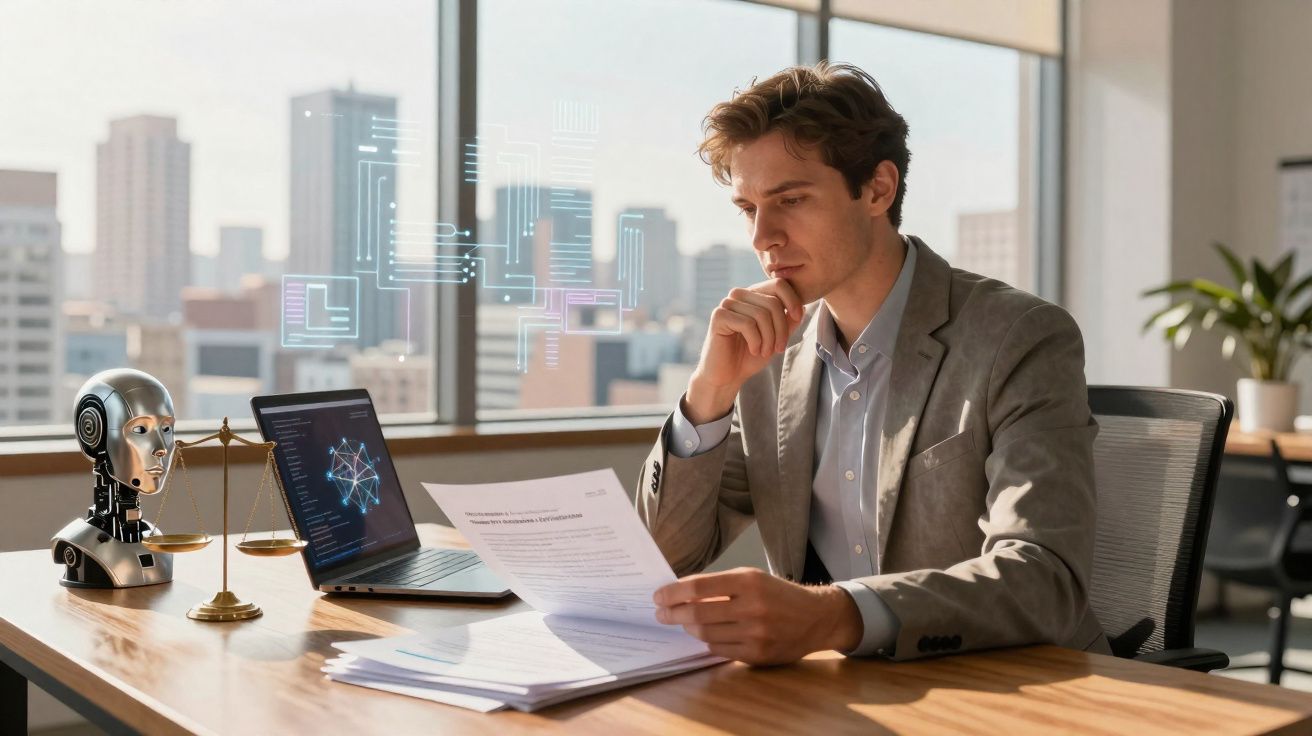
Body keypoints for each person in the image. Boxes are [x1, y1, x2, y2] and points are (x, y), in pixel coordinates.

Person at [637, 62, 1110, 665]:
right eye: (748, 208)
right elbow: (663, 558)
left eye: (791, 200)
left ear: (878, 190)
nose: (763, 237)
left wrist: (834, 615)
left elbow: (1044, 580)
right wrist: (709, 393)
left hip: (1012, 686)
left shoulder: (1017, 337)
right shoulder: (771, 352)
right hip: (842, 695)